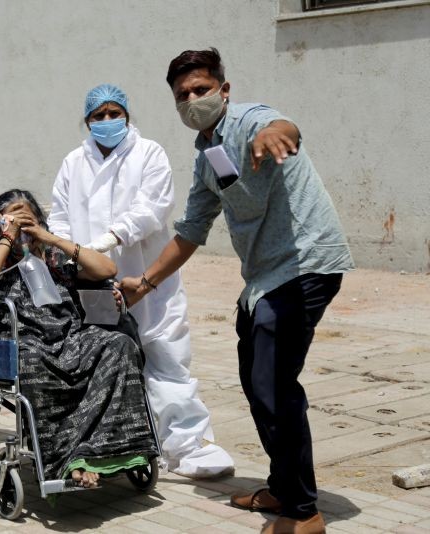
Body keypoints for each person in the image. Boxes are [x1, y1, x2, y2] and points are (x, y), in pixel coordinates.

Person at [117, 48, 354, 534]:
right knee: (255, 378)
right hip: (265, 279)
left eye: (201, 89)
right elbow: (190, 231)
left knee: (274, 383)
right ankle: (283, 486)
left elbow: (282, 126)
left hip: (305, 263)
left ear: (224, 91)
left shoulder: (248, 121)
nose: (192, 100)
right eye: (182, 95)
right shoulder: (207, 157)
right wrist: (145, 283)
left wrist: (276, 135)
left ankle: (303, 512)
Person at [48, 84, 234, 479]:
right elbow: (60, 215)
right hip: (92, 280)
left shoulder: (149, 153)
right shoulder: (73, 162)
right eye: (98, 116)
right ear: (87, 121)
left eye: (114, 113)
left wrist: (111, 237)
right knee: (102, 356)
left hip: (147, 275)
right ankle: (115, 442)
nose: (107, 121)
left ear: (127, 115)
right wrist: (71, 252)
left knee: (165, 353)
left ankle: (187, 444)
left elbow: (154, 207)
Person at [0, 189, 158, 487]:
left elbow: (108, 269)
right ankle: (63, 460)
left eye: (26, 219)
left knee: (118, 345)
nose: (21, 226)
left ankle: (101, 453)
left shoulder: (54, 256)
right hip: (21, 341)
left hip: (68, 337)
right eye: (12, 219)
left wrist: (49, 238)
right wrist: (7, 238)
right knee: (34, 360)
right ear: (0, 222)